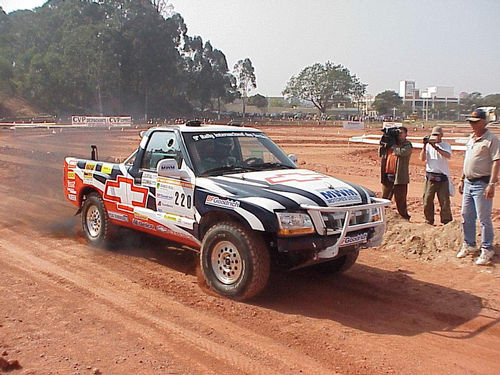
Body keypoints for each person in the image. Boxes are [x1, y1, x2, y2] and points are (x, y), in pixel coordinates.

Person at [456, 108, 500, 265]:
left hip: (482, 183)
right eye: (470, 122)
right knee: (466, 215)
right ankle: (469, 244)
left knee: (483, 218)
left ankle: (487, 248)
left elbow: (496, 162)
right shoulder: (471, 138)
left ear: (483, 122)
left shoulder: (491, 140)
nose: (472, 125)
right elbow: (467, 160)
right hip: (468, 182)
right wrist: (462, 178)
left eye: (475, 122)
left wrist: (492, 184)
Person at [419, 126, 452, 225]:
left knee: (444, 201)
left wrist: (436, 147)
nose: (435, 137)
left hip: (442, 176)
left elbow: (448, 155)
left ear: (441, 135)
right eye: (433, 135)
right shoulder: (428, 146)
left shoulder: (445, 145)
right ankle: (429, 220)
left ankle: (446, 221)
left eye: (437, 135)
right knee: (427, 200)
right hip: (430, 176)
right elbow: (422, 159)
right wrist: (425, 146)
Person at [379, 126, 413, 220]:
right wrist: (384, 140)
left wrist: (392, 146)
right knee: (385, 199)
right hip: (387, 176)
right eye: (398, 133)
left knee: (401, 201)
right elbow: (381, 153)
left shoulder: (407, 144)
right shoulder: (390, 143)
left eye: (401, 133)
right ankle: (383, 218)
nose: (399, 135)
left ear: (406, 134)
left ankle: (404, 218)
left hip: (400, 177)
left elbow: (402, 152)